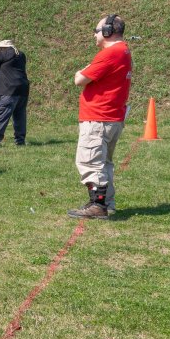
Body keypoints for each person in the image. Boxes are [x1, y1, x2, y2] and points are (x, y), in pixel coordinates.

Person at [68, 14, 132, 219]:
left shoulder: (110, 53)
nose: (94, 35)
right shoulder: (122, 51)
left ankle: (98, 205)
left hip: (98, 117)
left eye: (96, 31)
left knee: (90, 162)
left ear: (107, 32)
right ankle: (107, 203)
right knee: (104, 163)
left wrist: (82, 69)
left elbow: (80, 79)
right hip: (111, 117)